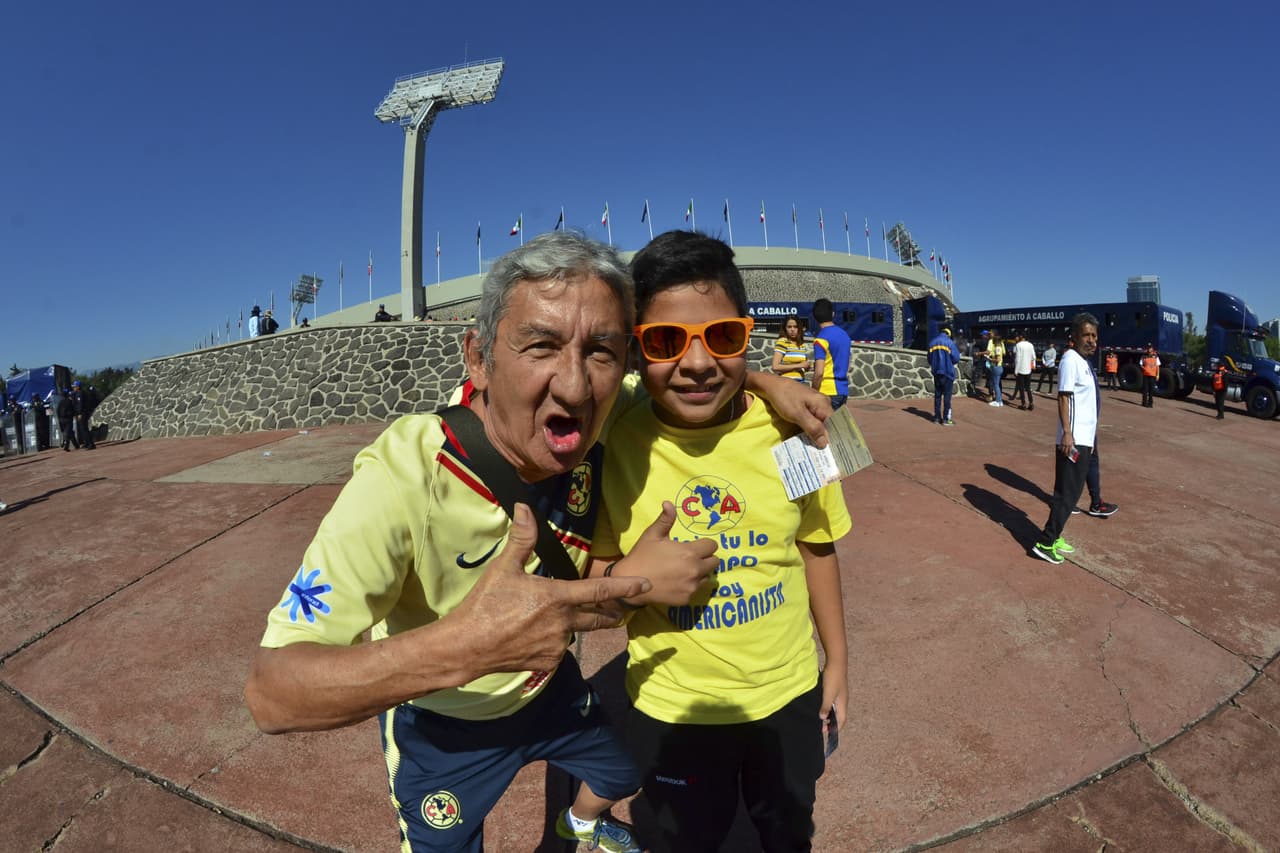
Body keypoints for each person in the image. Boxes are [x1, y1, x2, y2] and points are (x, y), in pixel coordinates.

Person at [244, 232, 831, 853]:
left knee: (620, 771)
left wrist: (771, 385)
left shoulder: (606, 414)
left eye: (600, 350)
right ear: (478, 358)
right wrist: (467, 646)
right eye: (541, 346)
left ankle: (581, 825)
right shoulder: (403, 478)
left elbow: (695, 372)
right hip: (445, 727)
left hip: (548, 691)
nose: (574, 388)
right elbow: (272, 693)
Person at [592, 231, 851, 853]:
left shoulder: (795, 431)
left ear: (746, 334)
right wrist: (635, 579)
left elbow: (817, 545)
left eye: (723, 337)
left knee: (788, 830)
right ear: (635, 350)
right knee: (687, 837)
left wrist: (837, 660)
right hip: (671, 705)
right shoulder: (616, 440)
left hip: (787, 693)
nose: (699, 362)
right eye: (665, 342)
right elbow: (593, 580)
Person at [1031, 313, 1100, 564]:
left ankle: (1055, 535)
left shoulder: (1082, 361)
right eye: (1086, 335)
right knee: (1068, 495)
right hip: (1074, 439)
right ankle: (1045, 542)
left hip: (1084, 437)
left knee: (1066, 491)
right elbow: (1064, 397)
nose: (1091, 340)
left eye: (1094, 335)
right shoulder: (1071, 360)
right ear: (1074, 337)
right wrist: (1068, 434)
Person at [811, 298, 851, 409]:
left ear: (815, 317)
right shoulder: (845, 335)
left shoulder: (820, 339)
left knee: (824, 426)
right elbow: (848, 366)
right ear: (833, 314)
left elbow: (819, 372)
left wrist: (813, 391)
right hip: (843, 390)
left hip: (827, 391)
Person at [928, 325, 960, 425]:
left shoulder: (932, 342)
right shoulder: (950, 343)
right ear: (949, 333)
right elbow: (956, 358)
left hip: (936, 372)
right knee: (947, 397)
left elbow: (929, 359)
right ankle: (946, 419)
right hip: (947, 373)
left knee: (937, 396)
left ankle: (937, 418)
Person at [772, 314, 812, 382]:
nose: (792, 329)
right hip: (787, 384)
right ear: (785, 328)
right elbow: (775, 366)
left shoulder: (801, 345)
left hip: (800, 384)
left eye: (795, 327)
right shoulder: (783, 342)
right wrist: (799, 365)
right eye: (789, 327)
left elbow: (801, 366)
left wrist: (807, 367)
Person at [70, 381, 96, 450]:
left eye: (74, 387)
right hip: (81, 413)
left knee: (84, 429)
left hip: (82, 413)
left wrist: (80, 413)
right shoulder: (78, 393)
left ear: (78, 387)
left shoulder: (80, 393)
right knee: (82, 429)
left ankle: (90, 444)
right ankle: (87, 443)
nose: (73, 388)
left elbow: (80, 404)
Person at [1013, 333, 1036, 410]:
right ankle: (1031, 402)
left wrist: (1016, 370)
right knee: (1028, 387)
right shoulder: (1030, 345)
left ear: (1021, 337)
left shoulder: (1018, 345)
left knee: (1021, 388)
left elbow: (1018, 359)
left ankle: (1023, 404)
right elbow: (1033, 357)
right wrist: (1033, 365)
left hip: (1020, 369)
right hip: (1028, 369)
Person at [987, 331, 1007, 407]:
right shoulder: (1000, 347)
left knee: (996, 385)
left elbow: (997, 359)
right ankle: (1000, 400)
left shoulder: (997, 348)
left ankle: (998, 401)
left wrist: (990, 359)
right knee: (997, 384)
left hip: (996, 367)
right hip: (999, 367)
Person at [1140, 343, 1160, 408]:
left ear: (1152, 348)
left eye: (1150, 347)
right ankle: (1144, 403)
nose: (1149, 349)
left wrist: (1158, 375)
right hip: (1146, 375)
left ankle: (1150, 403)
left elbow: (1157, 366)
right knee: (1145, 390)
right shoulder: (1144, 356)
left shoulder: (1155, 356)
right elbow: (1141, 364)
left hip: (1153, 375)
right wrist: (1145, 368)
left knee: (1151, 390)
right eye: (1148, 348)